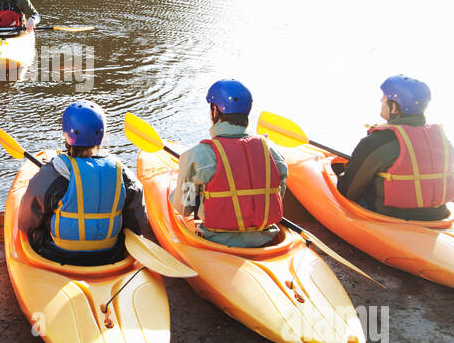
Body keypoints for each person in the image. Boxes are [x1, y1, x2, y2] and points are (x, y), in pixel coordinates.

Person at [18, 100, 155, 266]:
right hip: (110, 254)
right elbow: (137, 226)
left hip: (58, 255)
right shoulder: (123, 174)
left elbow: (25, 223)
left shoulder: (55, 172)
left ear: (66, 134)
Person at [172, 79, 287, 247]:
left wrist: (175, 192)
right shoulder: (272, 151)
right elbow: (278, 194)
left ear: (215, 110)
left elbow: (184, 207)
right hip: (267, 242)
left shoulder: (197, 155)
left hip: (215, 243)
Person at [336, 75, 454, 220]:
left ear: (394, 107)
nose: (381, 100)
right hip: (437, 214)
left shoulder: (377, 141)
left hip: (389, 215)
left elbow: (348, 191)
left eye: (385, 97)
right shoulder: (443, 140)